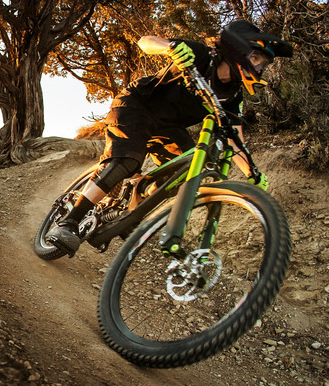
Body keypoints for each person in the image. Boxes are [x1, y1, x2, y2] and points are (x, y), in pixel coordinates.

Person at [47, 20, 293, 257]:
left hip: (168, 127)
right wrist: (170, 48)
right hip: (136, 105)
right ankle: (70, 221)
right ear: (238, 48)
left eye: (264, 64)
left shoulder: (232, 95)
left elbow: (234, 140)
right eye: (257, 58)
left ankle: (129, 209)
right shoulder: (201, 55)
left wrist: (252, 172)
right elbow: (145, 41)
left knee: (184, 172)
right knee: (126, 162)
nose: (260, 68)